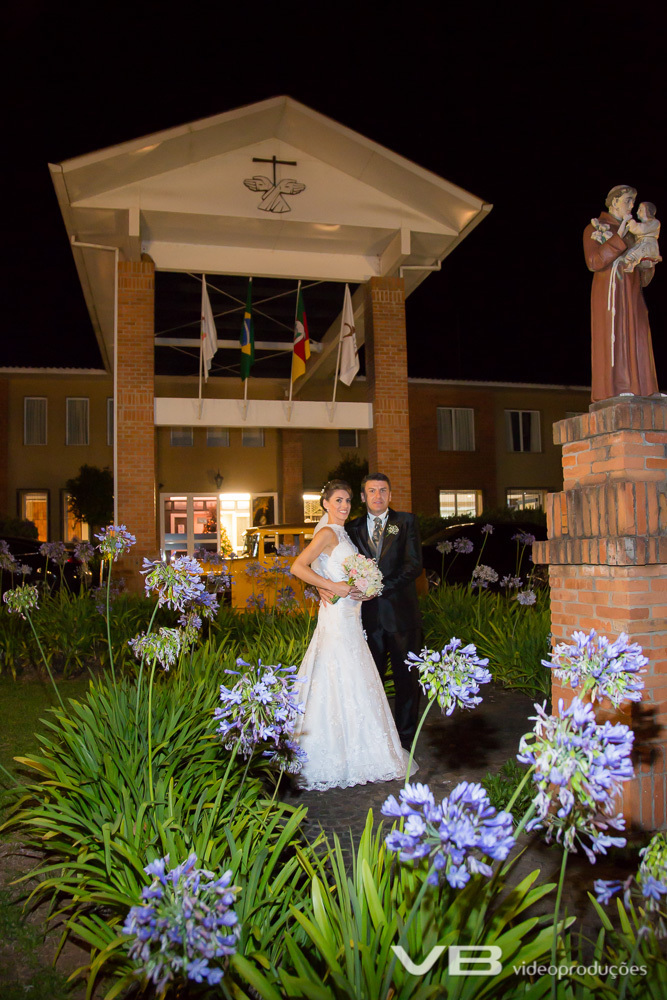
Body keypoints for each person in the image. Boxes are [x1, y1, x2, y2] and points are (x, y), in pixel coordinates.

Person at [290, 479, 413, 791]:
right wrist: (332, 586)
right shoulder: (327, 533)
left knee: (354, 677)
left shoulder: (343, 532)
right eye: (338, 500)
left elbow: (333, 568)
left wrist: (364, 588)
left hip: (351, 616)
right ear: (325, 504)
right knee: (334, 675)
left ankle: (358, 750)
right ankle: (329, 753)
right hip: (336, 617)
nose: (344, 505)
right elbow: (298, 567)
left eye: (347, 500)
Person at [345, 473, 423, 750]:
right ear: (363, 496)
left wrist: (378, 588)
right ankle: (375, 741)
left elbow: (413, 565)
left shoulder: (406, 522)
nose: (377, 496)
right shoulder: (351, 528)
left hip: (402, 616)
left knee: (407, 682)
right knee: (370, 682)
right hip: (366, 618)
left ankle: (405, 741)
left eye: (383, 490)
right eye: (372, 491)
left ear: (390, 495)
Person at [583, 184, 660, 401]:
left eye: (633, 201)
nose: (632, 205)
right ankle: (614, 389)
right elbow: (594, 261)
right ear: (614, 202)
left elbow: (643, 278)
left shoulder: (636, 232)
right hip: (610, 293)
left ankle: (643, 389)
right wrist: (618, 238)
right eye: (627, 200)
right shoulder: (595, 228)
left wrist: (647, 265)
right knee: (614, 336)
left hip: (632, 294)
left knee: (638, 334)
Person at [623, 202, 661, 273]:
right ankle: (631, 265)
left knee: (637, 252)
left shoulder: (655, 222)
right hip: (641, 245)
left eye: (640, 210)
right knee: (630, 253)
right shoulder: (644, 224)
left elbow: (641, 229)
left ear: (648, 211)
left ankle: (632, 261)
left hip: (649, 247)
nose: (637, 212)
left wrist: (630, 221)